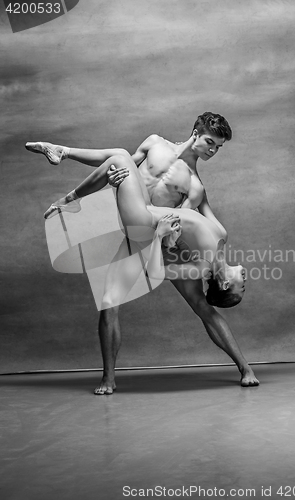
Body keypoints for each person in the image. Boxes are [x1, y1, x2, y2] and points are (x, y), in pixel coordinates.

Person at [26, 112, 259, 391]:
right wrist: (114, 179)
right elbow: (124, 174)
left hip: (164, 242)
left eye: (218, 147)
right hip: (137, 228)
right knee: (109, 302)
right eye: (210, 142)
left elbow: (180, 224)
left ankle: (245, 368)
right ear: (195, 132)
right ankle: (108, 379)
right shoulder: (154, 143)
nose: (212, 150)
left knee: (202, 305)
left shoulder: (196, 187)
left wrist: (190, 247)